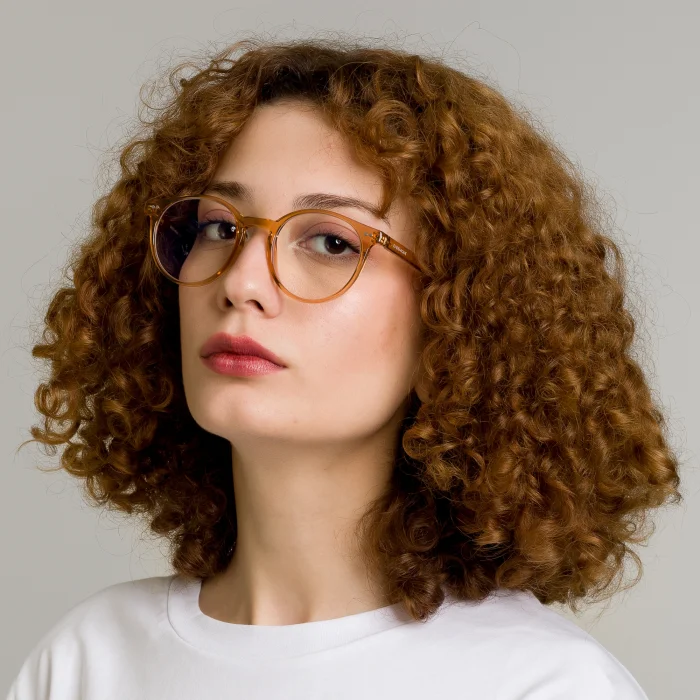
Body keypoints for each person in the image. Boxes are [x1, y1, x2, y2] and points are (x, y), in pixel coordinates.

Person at [6, 36, 681, 699]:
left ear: (456, 317)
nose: (241, 282)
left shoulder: (542, 685)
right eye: (219, 228)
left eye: (331, 241)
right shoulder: (87, 662)